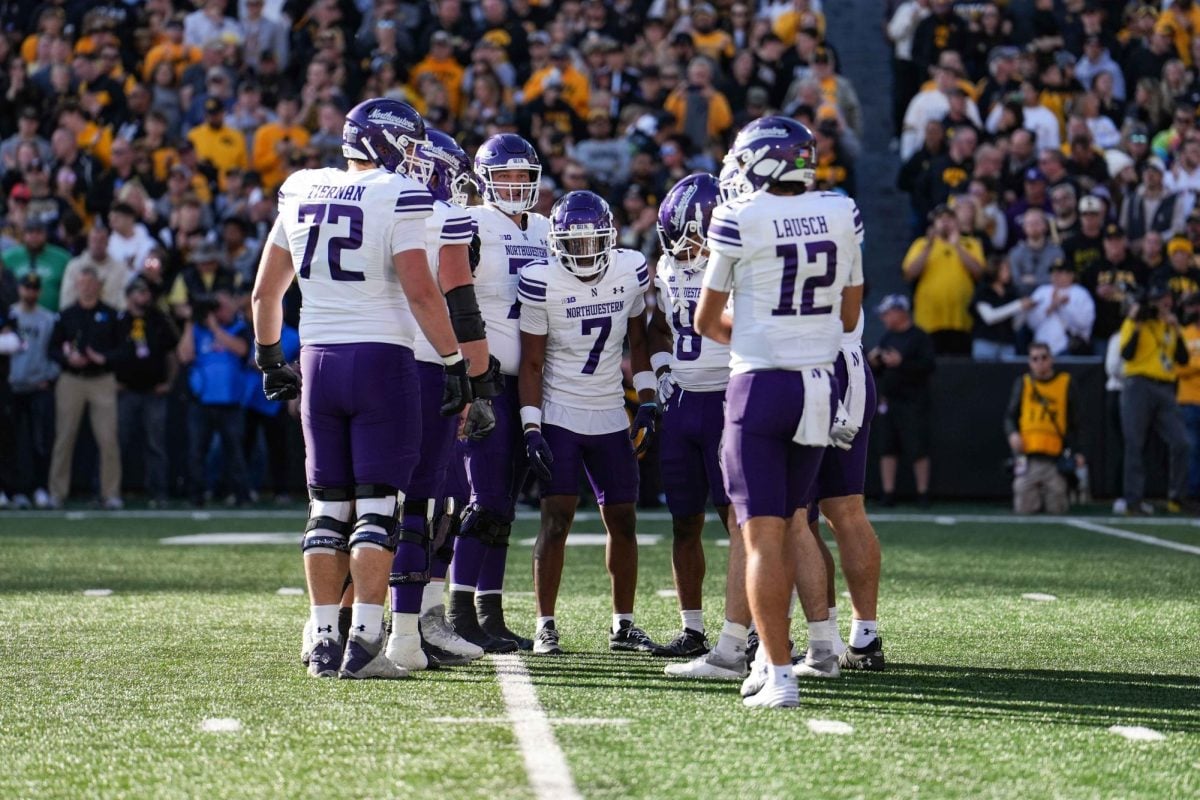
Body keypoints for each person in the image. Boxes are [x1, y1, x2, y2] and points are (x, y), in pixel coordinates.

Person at [252, 98, 471, 680]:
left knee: (326, 510)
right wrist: (453, 361)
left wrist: (270, 357)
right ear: (387, 142)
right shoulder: (397, 195)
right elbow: (423, 293)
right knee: (378, 510)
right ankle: (366, 642)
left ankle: (324, 638)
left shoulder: (300, 188)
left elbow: (264, 294)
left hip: (318, 361)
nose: (417, 156)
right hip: (382, 362)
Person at [695, 117, 864, 709]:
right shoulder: (843, 213)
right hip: (819, 386)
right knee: (797, 523)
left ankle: (780, 674)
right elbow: (847, 318)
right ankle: (799, 653)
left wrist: (764, 334)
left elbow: (705, 321)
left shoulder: (738, 218)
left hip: (760, 387)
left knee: (762, 536)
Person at [517, 189, 662, 657]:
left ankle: (623, 624)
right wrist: (532, 426)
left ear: (610, 237)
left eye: (591, 241)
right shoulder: (541, 280)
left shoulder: (630, 268)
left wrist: (647, 399)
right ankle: (545, 625)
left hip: (607, 412)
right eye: (573, 244)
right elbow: (532, 364)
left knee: (624, 519)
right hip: (560, 412)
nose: (584, 252)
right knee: (555, 519)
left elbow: (637, 343)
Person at [384, 129, 497, 672]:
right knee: (426, 502)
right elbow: (461, 305)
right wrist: (477, 381)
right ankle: (409, 626)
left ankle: (342, 625)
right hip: (430, 366)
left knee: (364, 500)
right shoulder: (441, 218)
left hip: (370, 362)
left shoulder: (371, 208)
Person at [448, 133, 551, 653]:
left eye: (523, 176)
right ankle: (459, 608)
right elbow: (453, 298)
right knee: (484, 499)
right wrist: (468, 379)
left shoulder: (548, 229)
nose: (515, 185)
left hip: (528, 382)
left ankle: (489, 609)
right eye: (505, 175)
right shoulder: (471, 222)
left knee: (506, 504)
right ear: (486, 179)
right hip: (482, 379)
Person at [645, 173, 734, 661]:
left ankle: (752, 627)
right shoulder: (665, 265)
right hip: (681, 403)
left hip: (726, 398)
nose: (681, 249)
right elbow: (660, 326)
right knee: (684, 521)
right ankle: (693, 628)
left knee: (737, 519)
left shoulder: (734, 263)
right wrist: (661, 370)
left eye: (689, 237)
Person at [47, 267, 124, 509]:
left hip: (101, 379)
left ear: (98, 286)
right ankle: (57, 493)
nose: (87, 287)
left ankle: (110, 493)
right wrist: (67, 359)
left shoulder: (111, 314)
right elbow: (52, 349)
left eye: (91, 283)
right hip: (72, 379)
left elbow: (123, 349)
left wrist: (103, 358)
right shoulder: (66, 315)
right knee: (64, 437)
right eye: (83, 283)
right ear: (77, 285)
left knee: (108, 438)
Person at [176, 289, 252, 507]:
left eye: (222, 307)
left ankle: (241, 495)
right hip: (202, 401)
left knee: (235, 451)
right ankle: (196, 495)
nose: (219, 311)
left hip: (231, 402)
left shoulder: (239, 328)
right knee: (196, 451)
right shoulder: (198, 330)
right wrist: (191, 323)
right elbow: (184, 355)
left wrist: (215, 327)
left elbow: (242, 350)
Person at [1118, 285, 1190, 514]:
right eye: (1160, 300)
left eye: (1167, 299)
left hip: (1166, 387)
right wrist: (1137, 325)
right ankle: (1133, 500)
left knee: (1182, 442)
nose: (1164, 304)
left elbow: (1183, 359)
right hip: (1138, 384)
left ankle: (1176, 497)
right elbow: (1126, 354)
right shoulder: (1134, 323)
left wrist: (1177, 329)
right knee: (1135, 444)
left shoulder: (1168, 326)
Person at [114, 277, 179, 507]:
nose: (145, 296)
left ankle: (158, 493)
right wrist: (114, 381)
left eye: (147, 292)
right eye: (140, 292)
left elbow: (172, 354)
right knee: (118, 442)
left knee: (156, 444)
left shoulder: (159, 320)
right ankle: (112, 492)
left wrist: (169, 382)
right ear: (129, 295)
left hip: (154, 391)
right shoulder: (118, 320)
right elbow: (110, 353)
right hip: (126, 391)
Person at [869, 294, 936, 508]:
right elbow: (880, 370)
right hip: (889, 401)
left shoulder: (919, 337)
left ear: (900, 312)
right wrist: (876, 362)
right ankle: (888, 492)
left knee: (918, 447)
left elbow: (928, 366)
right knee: (887, 447)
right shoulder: (887, 337)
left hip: (913, 401)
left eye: (887, 313)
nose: (884, 318)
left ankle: (923, 493)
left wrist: (901, 362)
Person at [1005, 343, 1085, 514]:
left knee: (1057, 507)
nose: (1040, 362)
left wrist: (1078, 451)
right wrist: (1013, 434)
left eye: (1044, 357)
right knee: (1023, 506)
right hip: (1028, 457)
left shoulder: (1065, 382)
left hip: (1054, 459)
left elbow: (1076, 421)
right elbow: (1010, 416)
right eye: (1035, 358)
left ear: (1051, 359)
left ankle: (1055, 491)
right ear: (1029, 362)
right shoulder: (1023, 383)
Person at [901, 203, 984, 355]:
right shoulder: (921, 244)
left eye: (949, 218)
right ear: (934, 223)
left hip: (961, 318)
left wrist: (958, 246)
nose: (945, 222)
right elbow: (909, 274)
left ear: (957, 221)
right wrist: (929, 246)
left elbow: (978, 272)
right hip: (929, 319)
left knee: (960, 365)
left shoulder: (971, 244)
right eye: (940, 218)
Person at [7, 273, 60, 509]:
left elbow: (55, 350)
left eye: (34, 288)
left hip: (38, 386)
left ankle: (41, 488)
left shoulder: (48, 318)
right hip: (12, 386)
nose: (30, 292)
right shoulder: (9, 315)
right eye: (26, 287)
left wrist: (48, 376)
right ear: (19, 289)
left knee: (41, 441)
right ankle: (15, 490)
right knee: (12, 442)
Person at [1026, 260, 1096, 356]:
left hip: (1069, 348)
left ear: (1071, 275)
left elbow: (1084, 323)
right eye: (1053, 272)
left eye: (1060, 272)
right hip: (1043, 351)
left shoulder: (1081, 293)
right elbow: (1031, 323)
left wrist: (1063, 307)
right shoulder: (1041, 292)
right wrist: (1051, 307)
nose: (1055, 275)